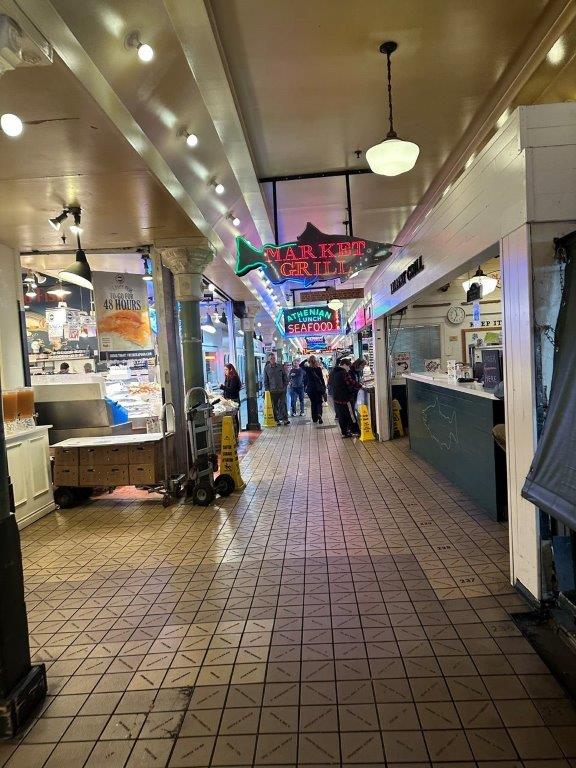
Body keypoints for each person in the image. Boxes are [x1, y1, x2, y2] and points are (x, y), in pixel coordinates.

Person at [331, 358, 363, 437]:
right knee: (350, 415)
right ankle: (355, 431)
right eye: (348, 366)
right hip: (345, 398)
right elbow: (350, 382)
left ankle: (344, 432)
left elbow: (330, 384)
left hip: (336, 398)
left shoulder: (333, 372)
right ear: (344, 365)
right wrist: (360, 386)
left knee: (341, 416)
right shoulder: (344, 373)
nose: (349, 368)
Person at [264, 353, 289, 425]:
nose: (273, 359)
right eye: (271, 358)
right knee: (274, 406)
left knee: (283, 404)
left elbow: (285, 377)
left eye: (274, 358)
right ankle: (276, 420)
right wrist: (267, 390)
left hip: (281, 390)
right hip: (272, 390)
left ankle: (285, 419)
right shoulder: (266, 368)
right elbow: (266, 380)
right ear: (269, 359)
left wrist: (285, 386)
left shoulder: (280, 366)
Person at [305, 355, 327, 424]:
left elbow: (300, 365)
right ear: (316, 361)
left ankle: (314, 418)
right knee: (319, 402)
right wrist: (324, 388)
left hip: (310, 389)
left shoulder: (308, 369)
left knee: (313, 403)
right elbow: (322, 379)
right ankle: (319, 414)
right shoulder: (318, 369)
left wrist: (307, 360)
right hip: (318, 389)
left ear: (309, 361)